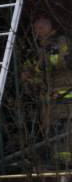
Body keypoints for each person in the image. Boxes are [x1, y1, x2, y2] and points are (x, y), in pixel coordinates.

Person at [23, 13, 72, 165]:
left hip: (66, 97)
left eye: (42, 27)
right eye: (36, 28)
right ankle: (59, 164)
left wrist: (39, 66)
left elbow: (59, 63)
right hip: (48, 100)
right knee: (52, 132)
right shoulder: (35, 49)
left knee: (65, 131)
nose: (38, 31)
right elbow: (28, 74)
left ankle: (66, 165)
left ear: (52, 29)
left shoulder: (61, 43)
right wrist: (32, 78)